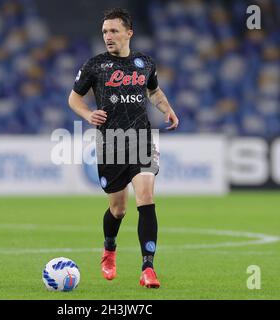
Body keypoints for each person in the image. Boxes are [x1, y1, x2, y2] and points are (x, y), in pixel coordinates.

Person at [68, 8, 179, 288]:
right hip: (111, 142)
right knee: (118, 210)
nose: (108, 36)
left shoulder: (144, 63)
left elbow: (153, 91)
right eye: (105, 31)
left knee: (146, 196)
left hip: (141, 138)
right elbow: (74, 99)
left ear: (129, 33)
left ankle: (148, 268)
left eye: (114, 31)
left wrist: (168, 109)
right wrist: (87, 114)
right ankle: (109, 249)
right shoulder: (95, 65)